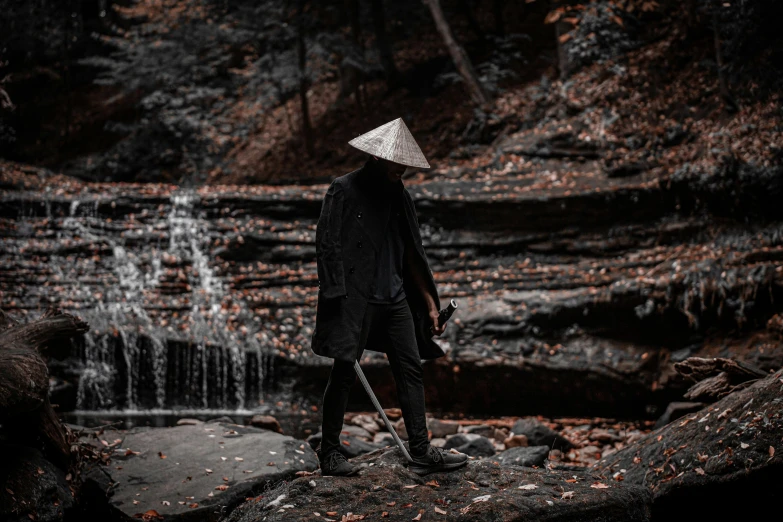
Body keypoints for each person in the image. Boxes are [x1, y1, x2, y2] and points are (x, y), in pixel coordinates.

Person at [310, 118, 468, 476]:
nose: (404, 171)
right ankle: (330, 453)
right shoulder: (343, 190)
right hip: (354, 298)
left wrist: (429, 304)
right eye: (399, 165)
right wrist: (336, 296)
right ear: (379, 158)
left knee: (410, 368)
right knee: (344, 372)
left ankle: (421, 450)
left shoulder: (400, 194)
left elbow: (412, 254)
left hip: (395, 299)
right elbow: (327, 245)